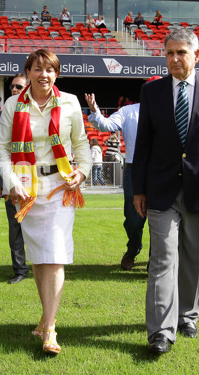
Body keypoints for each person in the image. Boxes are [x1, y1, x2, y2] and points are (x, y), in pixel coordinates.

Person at [132, 28, 199, 354]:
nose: (175, 59)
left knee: (194, 259)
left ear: (196, 55)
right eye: (169, 54)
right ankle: (161, 333)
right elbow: (144, 144)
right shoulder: (151, 92)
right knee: (162, 259)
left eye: (181, 53)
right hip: (161, 190)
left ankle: (187, 315)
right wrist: (138, 189)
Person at [0, 49, 92, 356]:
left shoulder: (70, 103)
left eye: (50, 70)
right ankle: (45, 316)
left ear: (56, 74)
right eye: (38, 69)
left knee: (55, 254)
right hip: (26, 189)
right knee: (39, 258)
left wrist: (84, 172)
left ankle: (49, 329)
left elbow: (81, 143)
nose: (44, 75)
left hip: (61, 187)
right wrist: (11, 184)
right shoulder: (13, 105)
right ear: (29, 72)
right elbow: (1, 150)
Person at [84, 76, 161, 270]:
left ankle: (156, 259)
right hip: (134, 170)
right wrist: (94, 110)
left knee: (160, 218)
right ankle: (133, 248)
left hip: (161, 171)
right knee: (134, 219)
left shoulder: (172, 111)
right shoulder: (128, 111)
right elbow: (107, 126)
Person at [0, 74, 30, 284]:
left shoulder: (38, 110)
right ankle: (20, 270)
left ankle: (44, 266)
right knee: (15, 226)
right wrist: (0, 181)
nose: (14, 90)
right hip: (11, 179)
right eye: (12, 87)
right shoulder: (3, 114)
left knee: (40, 226)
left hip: (37, 179)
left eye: (19, 87)